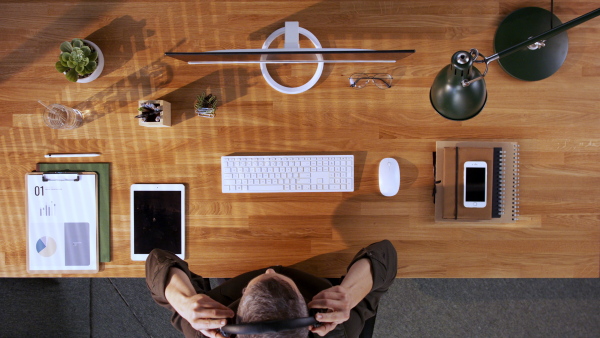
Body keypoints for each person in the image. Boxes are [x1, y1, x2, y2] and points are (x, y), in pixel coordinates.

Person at [146, 240, 397, 338]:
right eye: (273, 276)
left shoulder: (207, 330)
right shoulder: (337, 330)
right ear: (307, 306)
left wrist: (185, 302)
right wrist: (350, 294)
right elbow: (385, 254)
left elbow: (157, 258)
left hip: (239, 262)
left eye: (266, 277)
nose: (270, 270)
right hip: (319, 268)